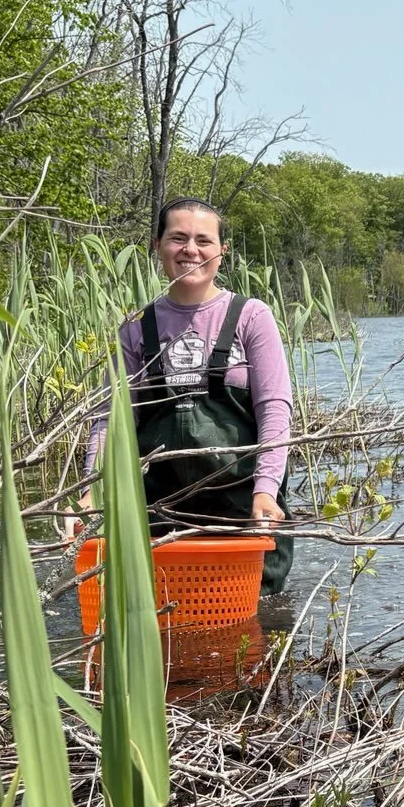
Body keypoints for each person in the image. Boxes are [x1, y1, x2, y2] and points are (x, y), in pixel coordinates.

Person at [83, 196, 295, 593]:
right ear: (157, 245)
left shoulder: (251, 316)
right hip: (160, 502)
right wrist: (91, 491)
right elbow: (112, 417)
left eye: (203, 240)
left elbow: (275, 409)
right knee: (164, 612)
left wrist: (266, 489)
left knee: (256, 624)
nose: (190, 250)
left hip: (241, 500)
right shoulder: (135, 328)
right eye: (178, 238)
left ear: (222, 251)